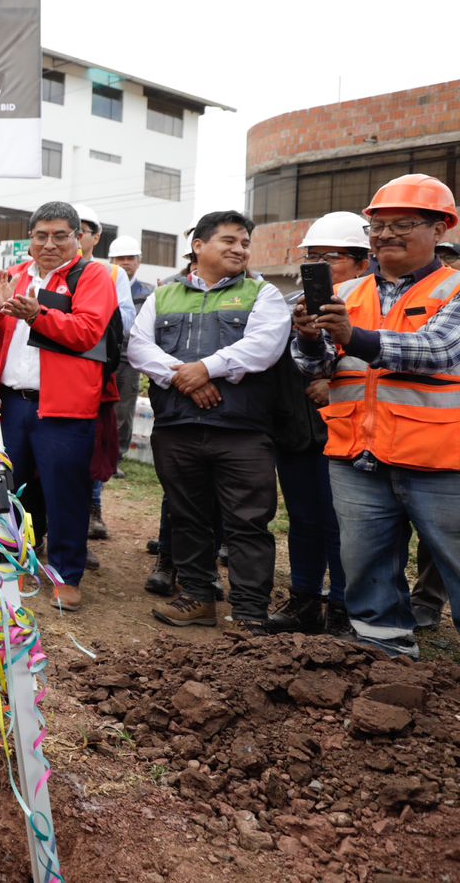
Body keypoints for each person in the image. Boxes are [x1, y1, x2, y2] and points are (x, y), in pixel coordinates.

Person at [293, 174, 460, 657]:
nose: (386, 234)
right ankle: (385, 656)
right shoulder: (347, 291)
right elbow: (315, 366)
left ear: (440, 229)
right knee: (366, 564)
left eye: (403, 223)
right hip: (355, 454)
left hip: (439, 458)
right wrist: (307, 338)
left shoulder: (454, 290)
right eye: (378, 226)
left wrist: (352, 337)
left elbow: (438, 350)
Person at [130, 210, 289, 632]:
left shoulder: (263, 295)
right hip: (178, 428)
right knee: (187, 516)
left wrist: (207, 368)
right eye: (230, 241)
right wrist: (187, 378)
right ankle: (197, 598)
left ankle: (251, 612)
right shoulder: (163, 296)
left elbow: (264, 347)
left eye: (244, 243)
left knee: (248, 522)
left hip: (241, 431)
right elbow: (139, 348)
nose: (240, 249)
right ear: (199, 246)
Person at [0, 203, 116, 609]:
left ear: (79, 237)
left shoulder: (93, 275)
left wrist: (36, 314)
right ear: (30, 240)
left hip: (65, 407)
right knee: (7, 488)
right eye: (40, 236)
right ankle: (4, 561)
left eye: (60, 235)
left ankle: (65, 575)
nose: (49, 244)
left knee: (66, 495)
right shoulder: (16, 276)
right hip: (12, 403)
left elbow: (87, 331)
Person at [261, 213, 368, 636]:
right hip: (296, 430)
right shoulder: (288, 309)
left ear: (362, 262)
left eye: (331, 257)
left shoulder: (372, 305)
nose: (318, 266)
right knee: (304, 520)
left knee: (342, 523)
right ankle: (305, 601)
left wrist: (332, 381)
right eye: (312, 256)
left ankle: (343, 608)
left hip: (348, 434)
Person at [72, 204, 138, 545]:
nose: (76, 234)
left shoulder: (112, 275)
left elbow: (126, 319)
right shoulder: (47, 272)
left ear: (95, 237)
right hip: (56, 369)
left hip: (95, 367)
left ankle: (93, 508)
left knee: (94, 441)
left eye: (82, 229)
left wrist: (92, 315)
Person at [104, 236, 154, 469]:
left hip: (129, 356)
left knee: (124, 408)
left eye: (130, 258)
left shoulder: (149, 292)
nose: (125, 262)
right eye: (120, 258)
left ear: (139, 261)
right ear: (111, 260)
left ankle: (117, 457)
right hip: (103, 355)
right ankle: (100, 454)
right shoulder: (104, 282)